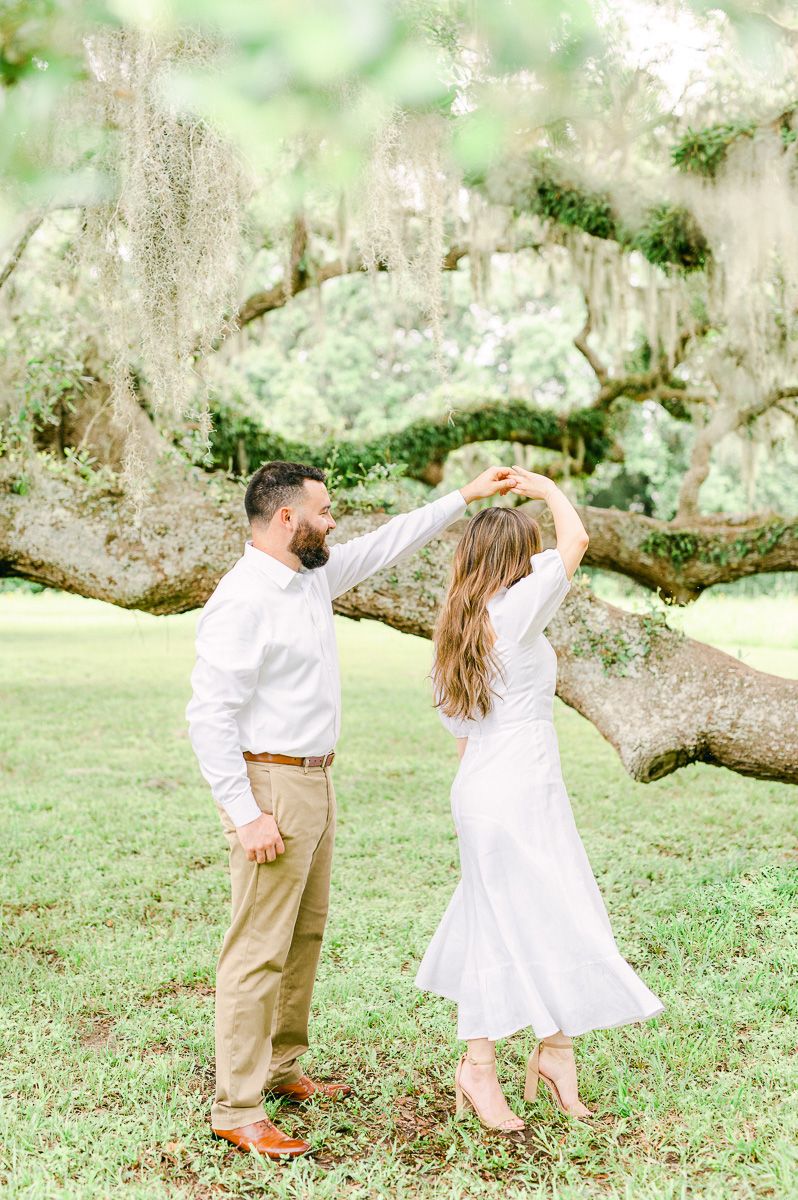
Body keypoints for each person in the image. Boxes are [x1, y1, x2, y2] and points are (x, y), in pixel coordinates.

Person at [186, 458, 515, 1159]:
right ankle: (237, 1107)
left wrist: (465, 495)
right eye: (325, 511)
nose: (334, 523)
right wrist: (246, 813)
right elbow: (208, 716)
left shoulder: (311, 576)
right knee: (257, 950)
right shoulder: (244, 599)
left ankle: (281, 1068)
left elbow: (389, 542)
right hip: (270, 785)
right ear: (287, 518)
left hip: (315, 782)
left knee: (303, 936)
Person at [415, 465, 664, 1135]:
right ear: (512, 560)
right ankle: (483, 1066)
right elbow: (576, 541)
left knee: (526, 912)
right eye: (527, 553)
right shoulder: (515, 611)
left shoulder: (460, 626)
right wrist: (547, 489)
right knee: (532, 914)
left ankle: (552, 1052)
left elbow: (463, 736)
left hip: (489, 787)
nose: (536, 563)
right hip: (518, 787)